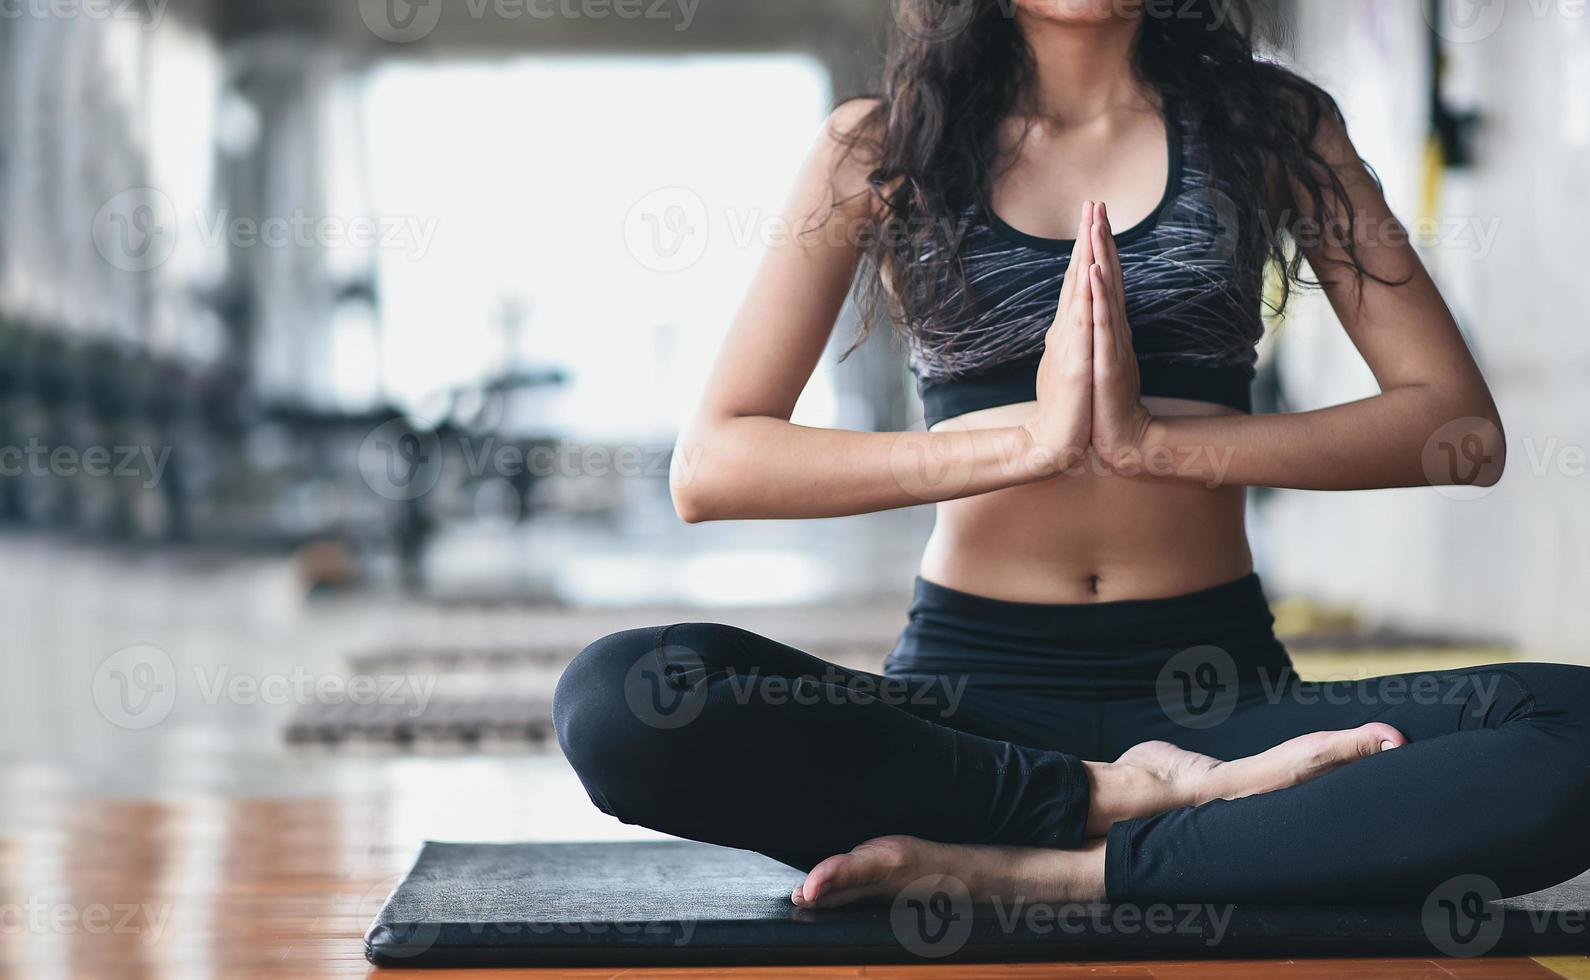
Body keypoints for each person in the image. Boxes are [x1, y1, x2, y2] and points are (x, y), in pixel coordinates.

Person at [555, 0, 1590, 909]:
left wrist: (1157, 446)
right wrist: (1028, 442)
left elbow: (1459, 431)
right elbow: (715, 465)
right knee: (621, 700)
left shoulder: (1279, 127)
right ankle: (1114, 803)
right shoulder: (882, 144)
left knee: (1576, 730)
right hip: (969, 718)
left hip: (1221, 705)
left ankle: (1046, 868)